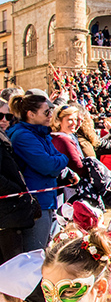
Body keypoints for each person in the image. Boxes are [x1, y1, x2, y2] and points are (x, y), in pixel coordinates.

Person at [8, 93, 75, 251]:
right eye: (46, 112)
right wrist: (63, 160)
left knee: (44, 250)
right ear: (31, 114)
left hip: (46, 199)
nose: (50, 115)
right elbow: (48, 165)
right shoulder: (23, 136)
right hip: (36, 202)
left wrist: (58, 160)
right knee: (35, 254)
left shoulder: (39, 134)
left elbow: (55, 159)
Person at [0, 98, 39, 264]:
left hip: (11, 212)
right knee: (13, 268)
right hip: (6, 211)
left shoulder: (4, 137)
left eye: (8, 117)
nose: (4, 120)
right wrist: (15, 190)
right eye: (0, 116)